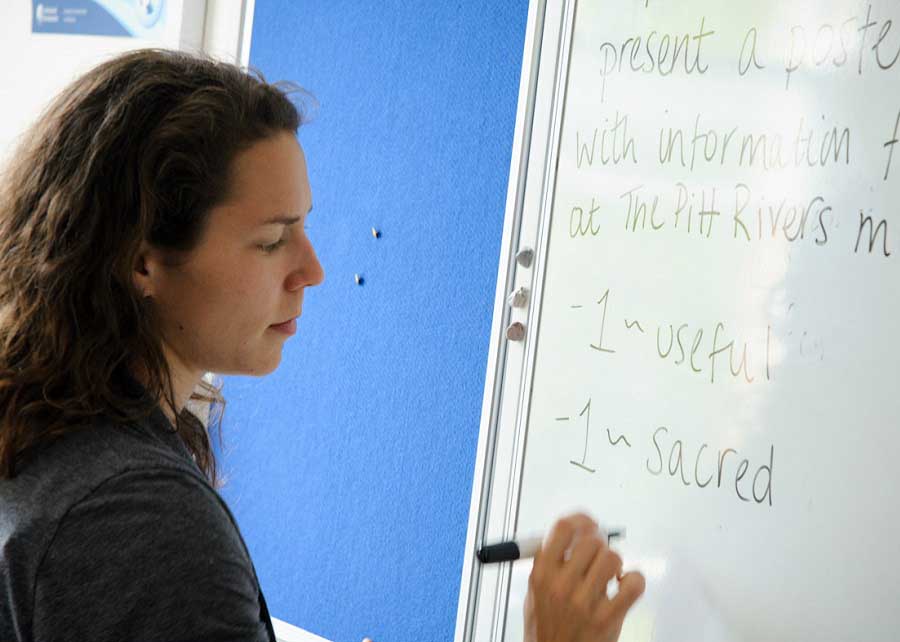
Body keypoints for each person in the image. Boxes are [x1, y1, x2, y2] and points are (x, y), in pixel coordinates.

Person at [0, 49, 644, 641]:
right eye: (272, 239)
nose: (311, 270)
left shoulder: (55, 442)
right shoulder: (141, 523)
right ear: (143, 260)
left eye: (303, 228)